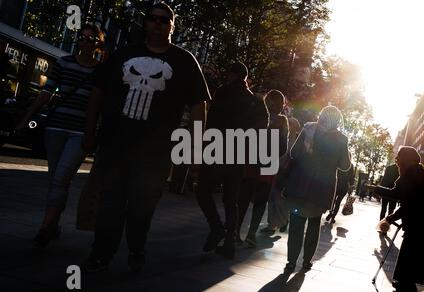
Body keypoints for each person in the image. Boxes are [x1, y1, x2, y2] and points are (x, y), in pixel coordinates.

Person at [82, 2, 210, 272]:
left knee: (142, 206)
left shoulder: (185, 61)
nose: (157, 24)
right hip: (115, 144)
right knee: (110, 202)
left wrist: (197, 149)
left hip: (156, 152)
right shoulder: (123, 55)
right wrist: (89, 132)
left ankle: (136, 248)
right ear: (145, 22)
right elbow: (98, 93)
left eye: (164, 20)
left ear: (172, 26)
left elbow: (199, 107)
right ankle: (101, 252)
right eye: (152, 19)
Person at [14, 24, 104, 247]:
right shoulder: (64, 63)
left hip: (79, 132)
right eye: (81, 38)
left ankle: (44, 228)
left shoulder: (102, 71)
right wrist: (27, 119)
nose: (85, 42)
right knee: (56, 180)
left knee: (61, 179)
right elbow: (46, 93)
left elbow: (102, 104)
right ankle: (53, 226)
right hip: (55, 128)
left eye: (91, 39)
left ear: (98, 45)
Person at [196, 61, 268, 259]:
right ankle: (229, 242)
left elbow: (211, 121)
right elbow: (263, 126)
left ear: (233, 75)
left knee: (202, 190)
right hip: (239, 154)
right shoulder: (256, 100)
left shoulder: (223, 92)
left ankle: (216, 226)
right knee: (231, 198)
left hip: (218, 149)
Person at [371, 146, 424, 292]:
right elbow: (409, 203)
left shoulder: (410, 175)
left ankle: (405, 285)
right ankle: (408, 283)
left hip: (417, 224)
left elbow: (398, 195)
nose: (397, 160)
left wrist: (375, 188)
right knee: (420, 255)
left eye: (399, 157)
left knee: (409, 253)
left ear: (406, 159)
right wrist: (390, 218)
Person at [282, 106, 351, 272]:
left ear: (321, 117)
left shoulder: (309, 129)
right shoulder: (341, 139)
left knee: (296, 224)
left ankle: (291, 262)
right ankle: (306, 262)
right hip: (322, 188)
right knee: (314, 224)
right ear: (338, 121)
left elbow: (294, 153)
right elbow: (345, 166)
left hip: (300, 184)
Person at [236, 89, 288, 246]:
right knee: (260, 201)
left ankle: (235, 232)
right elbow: (283, 147)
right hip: (268, 166)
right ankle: (251, 235)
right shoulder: (282, 121)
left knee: (243, 198)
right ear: (282, 105)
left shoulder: (257, 114)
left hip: (251, 161)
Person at [260, 106, 301, 235]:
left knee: (275, 199)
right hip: (283, 173)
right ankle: (281, 221)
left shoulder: (292, 142)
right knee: (279, 200)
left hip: (282, 173)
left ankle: (273, 225)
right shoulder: (294, 141)